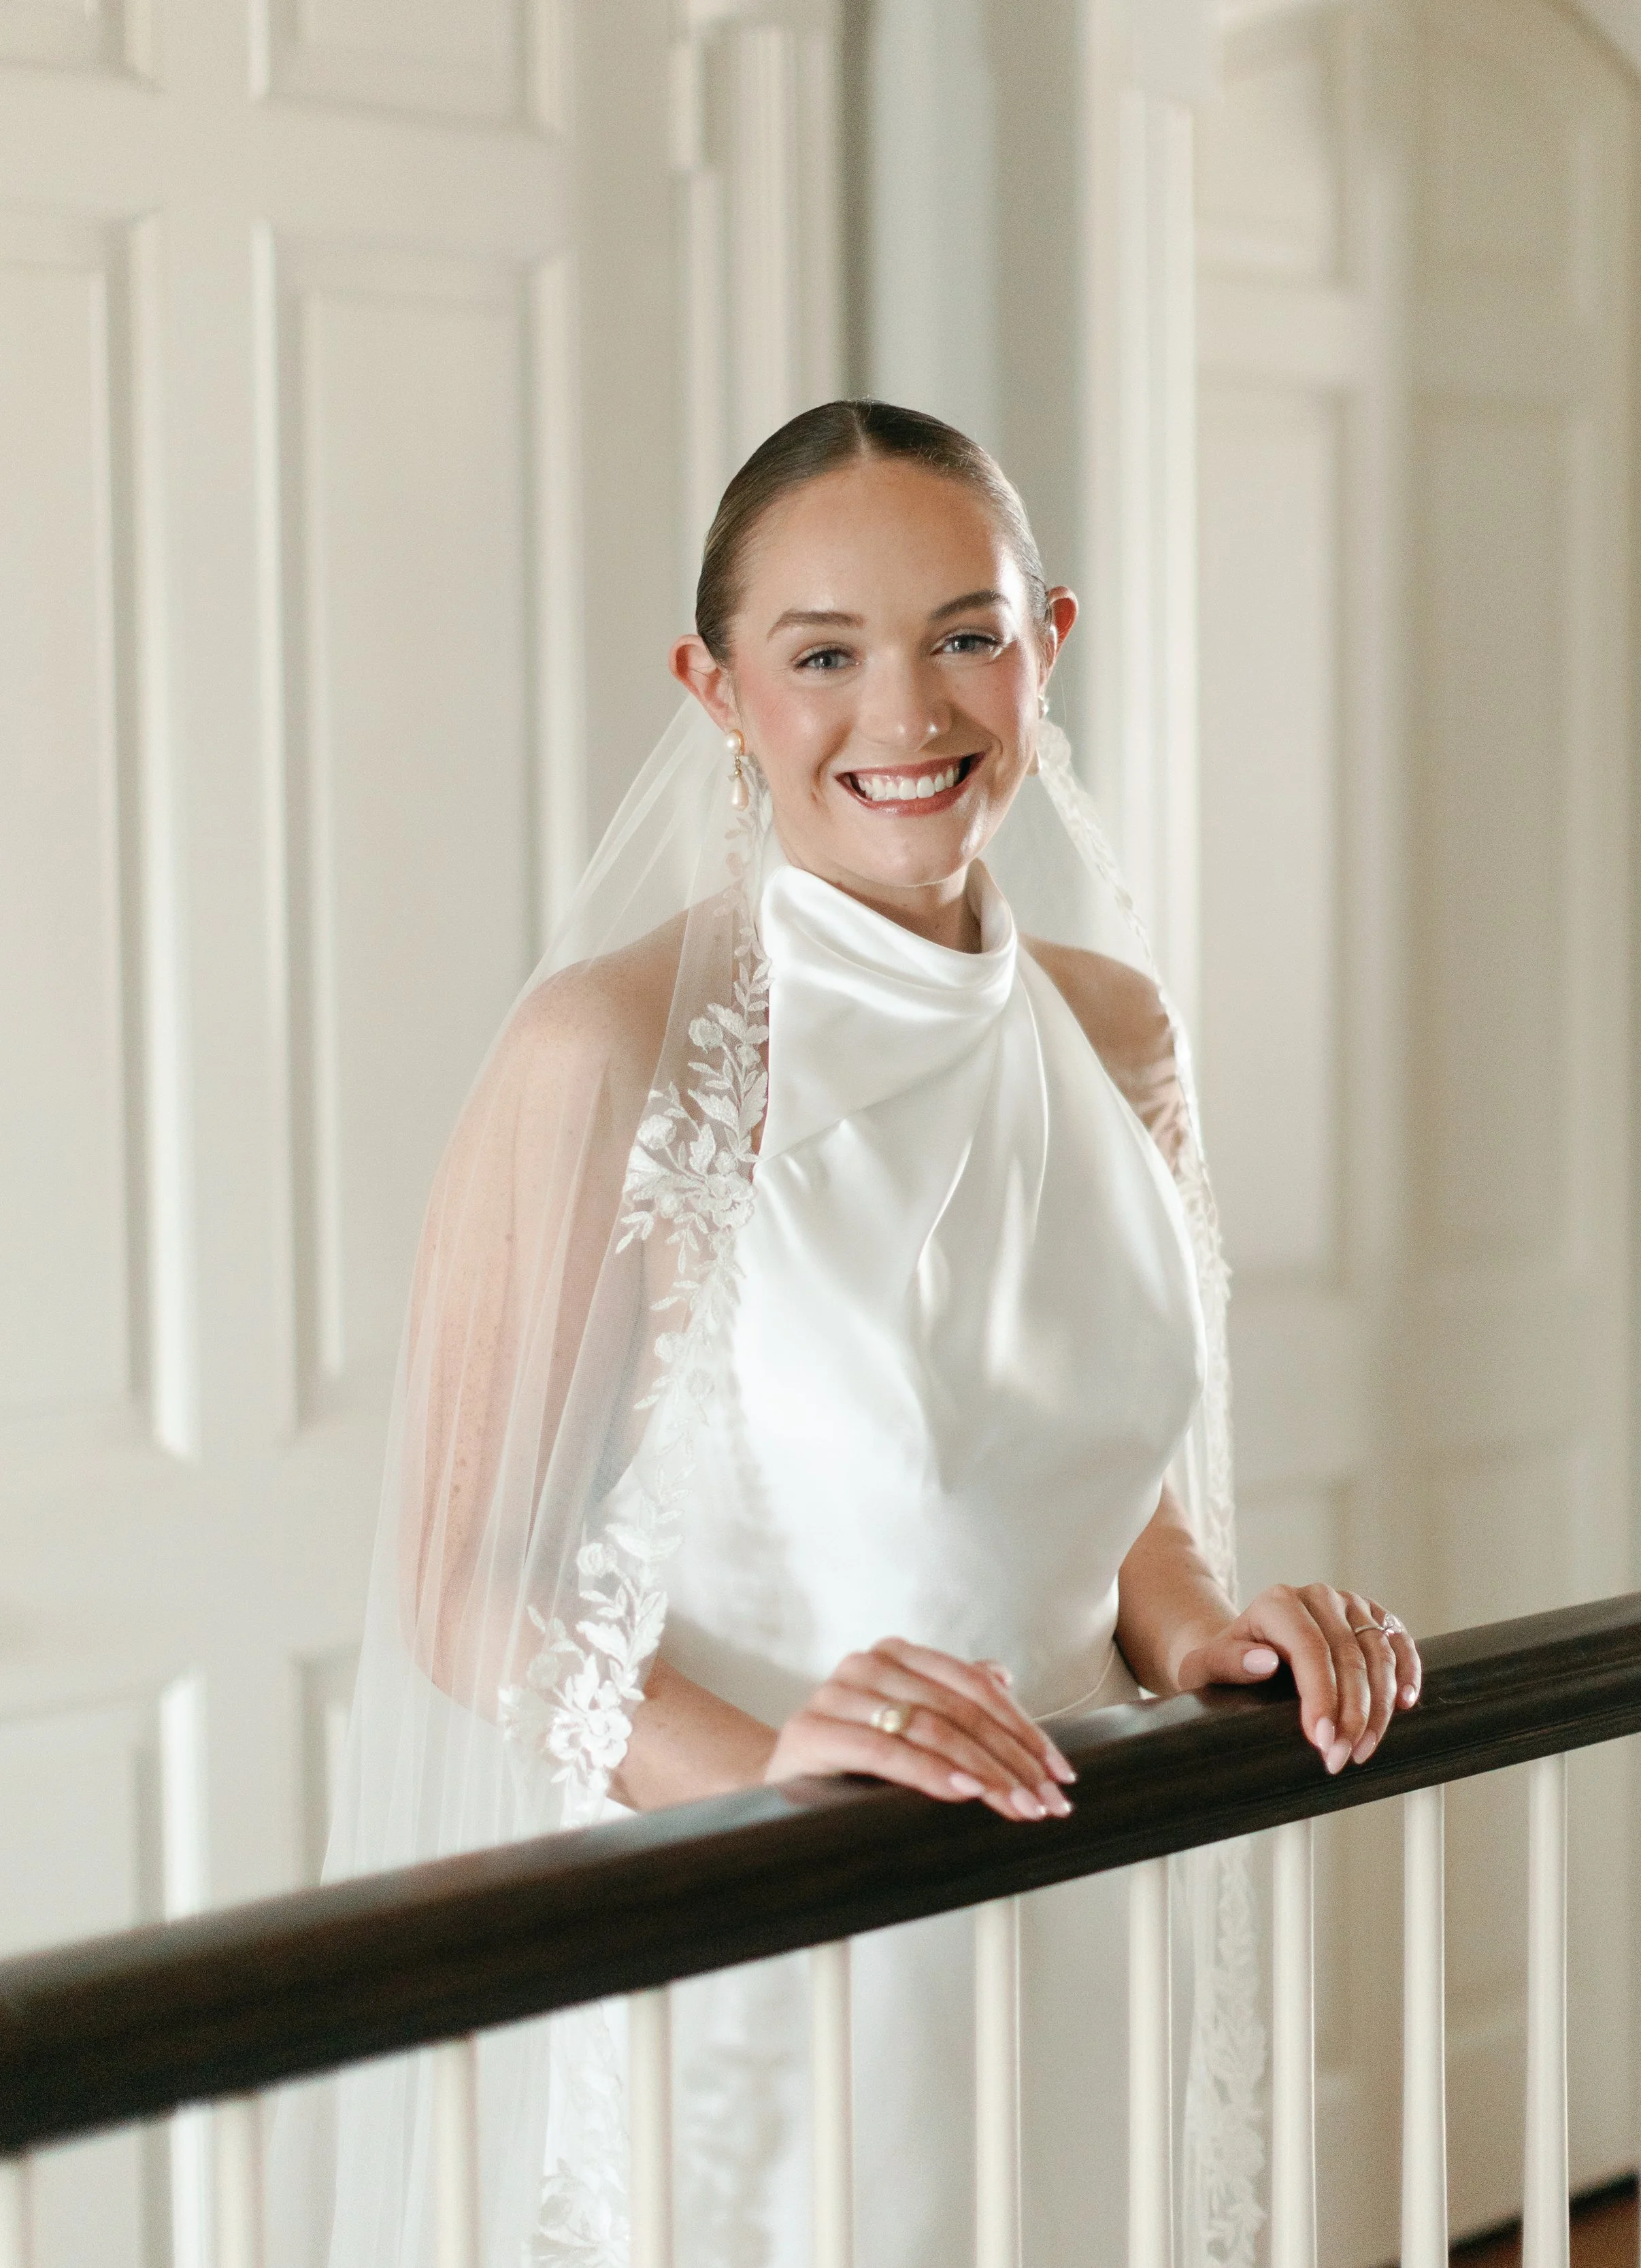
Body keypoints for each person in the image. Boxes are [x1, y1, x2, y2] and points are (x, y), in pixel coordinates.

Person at [286, 401, 1420, 2268]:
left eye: (964, 634)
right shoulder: (606, 1045)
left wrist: (1206, 1624)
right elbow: (461, 1578)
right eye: (824, 654)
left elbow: (1102, 1478)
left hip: (1066, 1922)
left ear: (1043, 645)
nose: (906, 716)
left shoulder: (1120, 1029)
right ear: (716, 686)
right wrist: (764, 1771)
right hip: (768, 1965)